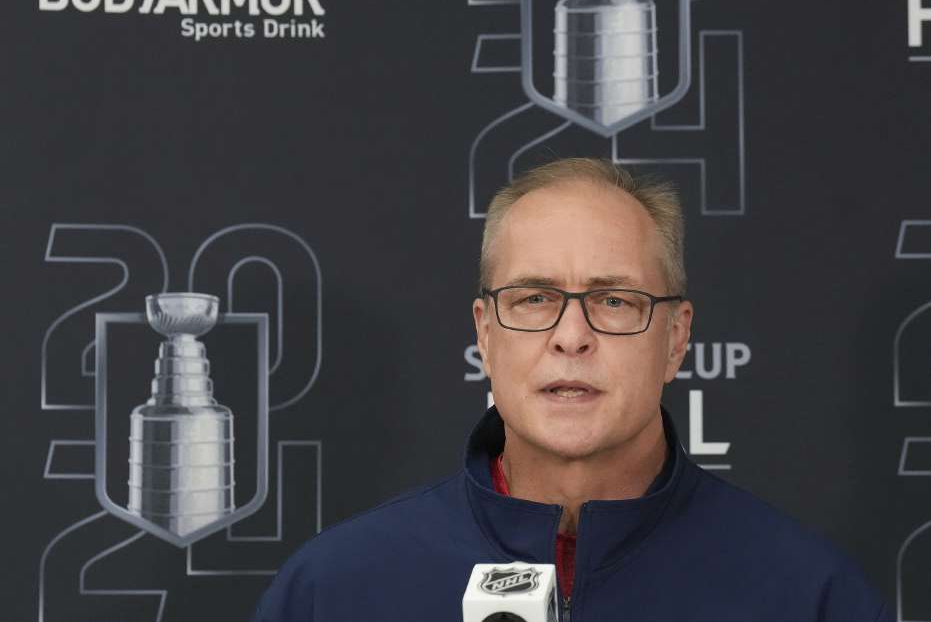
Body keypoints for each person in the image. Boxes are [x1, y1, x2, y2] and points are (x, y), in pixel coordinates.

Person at [253, 157, 889, 621]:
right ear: (484, 333)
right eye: (534, 298)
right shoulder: (333, 590)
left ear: (675, 338)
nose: (571, 336)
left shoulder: (808, 595)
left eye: (614, 299)